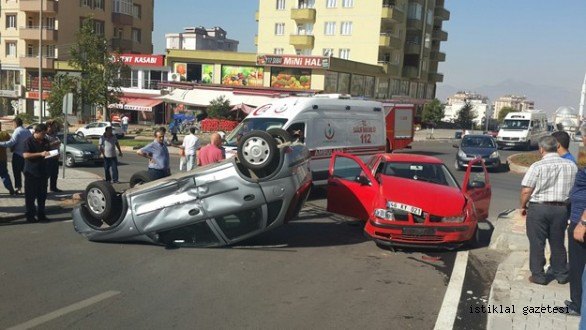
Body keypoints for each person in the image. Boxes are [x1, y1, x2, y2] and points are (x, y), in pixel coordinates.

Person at [519, 135, 577, 285]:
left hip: (538, 208)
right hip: (561, 209)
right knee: (557, 241)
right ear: (557, 147)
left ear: (541, 149)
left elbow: (526, 191)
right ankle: (561, 273)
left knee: (537, 242)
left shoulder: (537, 166)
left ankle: (538, 275)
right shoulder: (571, 166)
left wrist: (522, 206)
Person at [565, 124, 586, 317]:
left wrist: (583, 222)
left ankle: (577, 305)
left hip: (582, 222)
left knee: (578, 264)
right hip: (578, 216)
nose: (582, 140)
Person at [23, 123, 52, 223]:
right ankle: (30, 215)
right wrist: (40, 154)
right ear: (36, 132)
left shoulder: (46, 142)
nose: (44, 136)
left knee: (42, 195)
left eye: (45, 134)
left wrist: (52, 155)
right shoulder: (29, 141)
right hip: (31, 172)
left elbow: (48, 152)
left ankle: (41, 215)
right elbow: (26, 155)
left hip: (43, 172)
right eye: (43, 134)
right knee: (30, 196)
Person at [0, 117, 32, 195]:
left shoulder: (17, 131)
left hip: (17, 155)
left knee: (17, 173)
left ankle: (18, 188)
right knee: (26, 173)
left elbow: (12, 142)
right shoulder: (28, 131)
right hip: (25, 155)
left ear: (15, 123)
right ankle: (29, 188)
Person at [45, 120, 62, 192]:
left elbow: (62, 126)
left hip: (55, 157)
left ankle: (53, 187)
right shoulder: (45, 136)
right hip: (48, 158)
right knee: (46, 175)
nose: (55, 128)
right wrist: (53, 143)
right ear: (48, 127)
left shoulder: (55, 134)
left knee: (54, 174)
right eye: (53, 126)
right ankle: (43, 189)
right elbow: (44, 147)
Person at [0, 122, 16, 195]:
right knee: (4, 174)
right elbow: (11, 143)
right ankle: (10, 188)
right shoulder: (4, 134)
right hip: (3, 158)